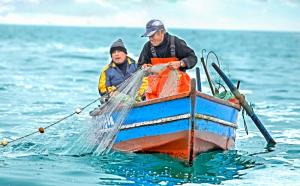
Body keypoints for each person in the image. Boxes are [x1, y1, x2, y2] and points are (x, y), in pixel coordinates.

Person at [138, 19, 198, 100]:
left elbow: (192, 58)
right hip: (155, 95)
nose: (150, 39)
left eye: (152, 35)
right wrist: (144, 67)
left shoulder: (175, 42)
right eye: (149, 36)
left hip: (178, 92)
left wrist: (181, 63)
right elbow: (139, 66)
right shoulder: (147, 47)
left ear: (162, 32)